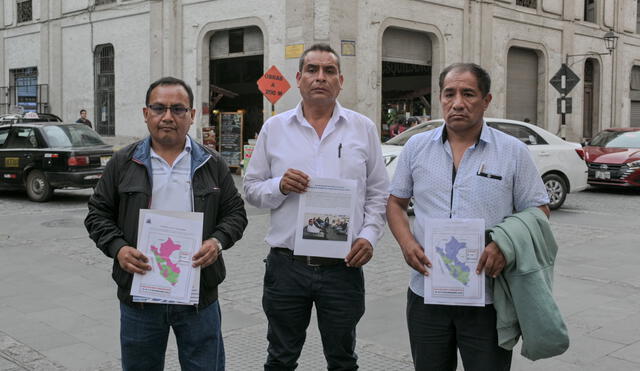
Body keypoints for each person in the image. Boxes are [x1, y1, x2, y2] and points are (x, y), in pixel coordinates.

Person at [386, 63, 550, 371]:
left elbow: (539, 210)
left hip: (487, 296)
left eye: (468, 94)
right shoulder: (416, 148)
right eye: (450, 94)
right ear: (440, 98)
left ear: (486, 101)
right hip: (426, 293)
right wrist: (407, 244)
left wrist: (505, 244)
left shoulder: (512, 152)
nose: (457, 102)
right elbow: (395, 203)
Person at [85, 76, 247, 371]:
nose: (168, 117)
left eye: (178, 109)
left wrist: (217, 242)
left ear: (192, 115)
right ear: (146, 114)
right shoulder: (123, 162)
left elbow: (236, 213)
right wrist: (119, 249)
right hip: (140, 297)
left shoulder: (212, 163)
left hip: (199, 295)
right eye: (159, 108)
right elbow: (97, 214)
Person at [243, 43, 389, 370]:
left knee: (342, 360)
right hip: (287, 266)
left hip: (343, 268)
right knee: (280, 358)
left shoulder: (362, 128)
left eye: (328, 71)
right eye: (312, 70)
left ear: (341, 80)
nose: (320, 77)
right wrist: (279, 185)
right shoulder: (274, 128)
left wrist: (368, 236)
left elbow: (378, 193)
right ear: (298, 78)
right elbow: (251, 190)